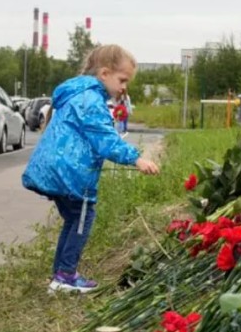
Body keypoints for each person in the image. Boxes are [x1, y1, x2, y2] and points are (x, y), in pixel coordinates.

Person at [22, 45, 160, 294]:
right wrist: (137, 159)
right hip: (72, 174)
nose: (124, 87)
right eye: (123, 80)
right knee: (83, 219)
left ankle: (60, 275)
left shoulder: (76, 93)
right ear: (105, 73)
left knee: (74, 219)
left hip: (54, 169)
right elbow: (105, 140)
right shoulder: (91, 101)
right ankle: (65, 275)